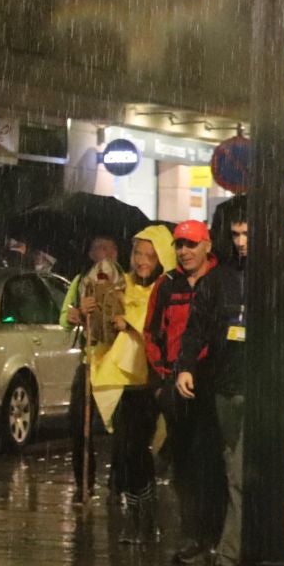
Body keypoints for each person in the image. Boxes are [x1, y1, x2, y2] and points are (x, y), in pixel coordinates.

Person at [144, 219, 227, 566]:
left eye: (191, 244)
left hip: (214, 385)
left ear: (207, 246)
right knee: (186, 465)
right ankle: (194, 535)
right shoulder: (168, 286)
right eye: (180, 245)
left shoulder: (223, 282)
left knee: (215, 463)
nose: (184, 251)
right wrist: (165, 378)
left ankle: (218, 536)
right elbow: (153, 333)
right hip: (178, 387)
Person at [176, 217, 247, 566]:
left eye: (247, 233)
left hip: (258, 388)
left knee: (241, 473)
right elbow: (196, 327)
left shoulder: (276, 277)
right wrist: (185, 366)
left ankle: (230, 560)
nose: (241, 242)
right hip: (227, 386)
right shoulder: (219, 282)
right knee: (235, 468)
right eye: (235, 234)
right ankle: (238, 554)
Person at [91, 225, 175, 547]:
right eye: (138, 254)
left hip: (147, 380)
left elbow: (163, 325)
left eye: (150, 255)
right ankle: (136, 516)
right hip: (118, 380)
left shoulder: (166, 289)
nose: (142, 261)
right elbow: (100, 319)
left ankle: (143, 518)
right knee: (125, 451)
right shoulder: (120, 284)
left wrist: (133, 323)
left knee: (136, 449)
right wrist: (85, 312)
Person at [62, 235, 121, 495]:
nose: (103, 253)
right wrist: (77, 313)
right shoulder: (80, 282)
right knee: (78, 424)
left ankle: (117, 482)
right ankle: (83, 483)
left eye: (108, 247)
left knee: (119, 429)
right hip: (89, 361)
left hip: (117, 363)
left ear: (117, 253)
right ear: (90, 254)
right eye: (97, 248)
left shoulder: (126, 282)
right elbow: (65, 317)